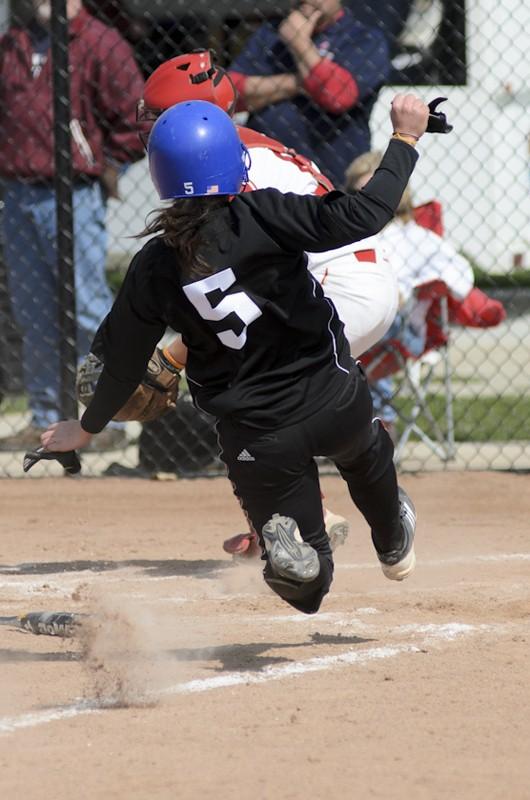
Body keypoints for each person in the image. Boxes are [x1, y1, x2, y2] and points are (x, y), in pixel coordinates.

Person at [41, 93, 428, 615]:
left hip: (256, 434)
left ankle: (297, 554)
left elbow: (124, 365)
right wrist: (404, 140)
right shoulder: (264, 213)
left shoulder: (153, 267)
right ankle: (391, 537)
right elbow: (365, 213)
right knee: (365, 452)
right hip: (330, 395)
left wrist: (85, 429)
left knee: (310, 593)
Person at [134, 50, 400, 555]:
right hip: (352, 278)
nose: (146, 122)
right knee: (259, 385)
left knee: (235, 377)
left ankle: (299, 517)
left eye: (158, 113)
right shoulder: (226, 148)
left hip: (340, 284)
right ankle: (303, 512)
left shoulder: (226, 162)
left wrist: (173, 354)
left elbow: (239, 283)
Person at [0, 0, 145, 450]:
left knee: (87, 305)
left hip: (75, 192)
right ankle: (45, 415)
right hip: (17, 191)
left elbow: (135, 118)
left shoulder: (100, 41)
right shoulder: (14, 42)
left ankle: (109, 418)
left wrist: (103, 161)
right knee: (33, 309)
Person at [343, 150, 504, 437]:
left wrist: (428, 287)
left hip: (401, 332)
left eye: (374, 194)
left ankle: (377, 427)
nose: (366, 204)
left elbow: (461, 277)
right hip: (357, 326)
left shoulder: (416, 237)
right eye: (358, 195)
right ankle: (357, 428)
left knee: (375, 315)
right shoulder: (350, 235)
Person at [227, 0, 391, 187]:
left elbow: (338, 97)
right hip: (266, 177)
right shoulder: (269, 34)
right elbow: (230, 94)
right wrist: (299, 82)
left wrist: (298, 41)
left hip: (333, 180)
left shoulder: (363, 38)